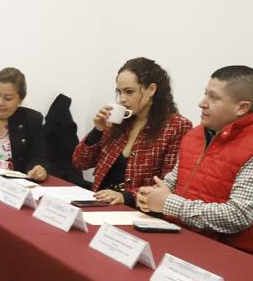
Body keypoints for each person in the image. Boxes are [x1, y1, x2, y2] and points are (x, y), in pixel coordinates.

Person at [137, 66, 253, 255]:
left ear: (242, 107)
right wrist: (150, 195)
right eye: (205, 94)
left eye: (214, 98)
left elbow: (238, 216)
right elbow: (173, 183)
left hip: (228, 256)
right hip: (177, 240)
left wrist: (168, 204)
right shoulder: (195, 135)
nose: (202, 103)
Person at [72, 58, 192, 206]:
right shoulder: (120, 120)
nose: (122, 99)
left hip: (137, 210)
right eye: (119, 92)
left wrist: (127, 196)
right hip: (99, 202)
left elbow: (167, 185)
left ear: (151, 89)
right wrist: (98, 130)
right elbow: (80, 162)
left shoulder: (176, 126)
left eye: (129, 92)